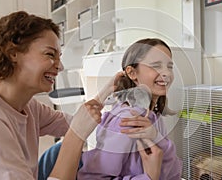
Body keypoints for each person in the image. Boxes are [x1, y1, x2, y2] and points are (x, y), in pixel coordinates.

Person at [0, 11, 164, 180]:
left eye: (59, 57)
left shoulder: (28, 107)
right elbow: (76, 129)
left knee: (57, 151)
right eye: (50, 54)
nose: (60, 66)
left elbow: (74, 123)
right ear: (13, 53)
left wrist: (105, 95)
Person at [39, 38, 182, 179]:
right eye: (156, 65)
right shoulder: (127, 120)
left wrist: (158, 139)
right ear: (132, 73)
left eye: (169, 66)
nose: (166, 73)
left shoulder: (153, 118)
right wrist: (148, 177)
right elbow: (94, 178)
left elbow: (174, 173)